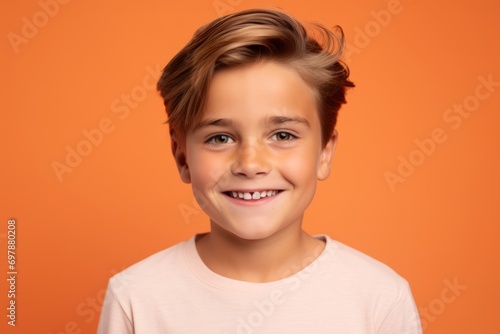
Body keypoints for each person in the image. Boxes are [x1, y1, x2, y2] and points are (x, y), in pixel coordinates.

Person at [97, 8, 422, 333]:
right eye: (220, 138)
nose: (251, 164)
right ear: (182, 157)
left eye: (283, 136)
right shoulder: (136, 298)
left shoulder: (379, 300)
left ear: (324, 152)